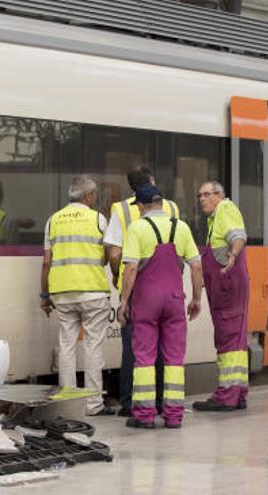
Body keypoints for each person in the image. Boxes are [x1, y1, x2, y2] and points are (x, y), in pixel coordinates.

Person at [118, 184, 203, 428]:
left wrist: (124, 302)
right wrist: (196, 298)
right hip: (175, 300)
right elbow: (196, 266)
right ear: (162, 204)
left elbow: (131, 268)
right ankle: (174, 415)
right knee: (174, 358)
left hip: (146, 302)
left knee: (144, 357)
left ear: (142, 206)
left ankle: (145, 416)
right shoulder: (182, 227)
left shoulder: (138, 228)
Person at [104, 166, 180, 417]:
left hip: (138, 287)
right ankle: (161, 402)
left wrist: (119, 279)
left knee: (135, 347)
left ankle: (130, 402)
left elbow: (115, 254)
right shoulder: (173, 208)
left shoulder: (122, 210)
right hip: (170, 287)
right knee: (164, 347)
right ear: (153, 181)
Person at [39, 175, 114, 416]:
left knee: (67, 346)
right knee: (93, 347)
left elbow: (47, 262)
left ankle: (67, 404)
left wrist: (44, 294)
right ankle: (93, 405)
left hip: (61, 293)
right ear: (89, 196)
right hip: (92, 291)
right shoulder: (98, 219)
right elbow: (109, 253)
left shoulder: (53, 220)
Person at [193, 181, 250, 411]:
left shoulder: (225, 209)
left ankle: (226, 395)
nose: (202, 199)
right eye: (199, 195)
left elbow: (238, 236)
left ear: (219, 195)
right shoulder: (214, 219)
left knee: (228, 339)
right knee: (235, 340)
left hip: (228, 287)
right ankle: (238, 394)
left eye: (207, 194)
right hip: (225, 288)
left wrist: (233, 255)